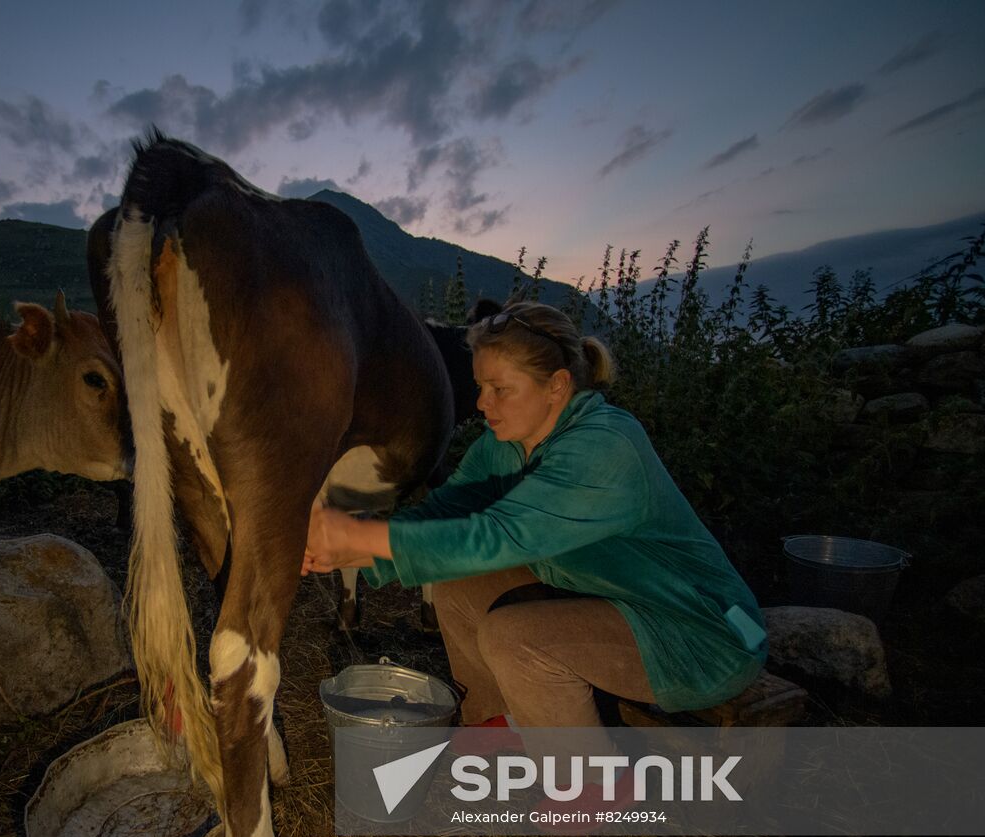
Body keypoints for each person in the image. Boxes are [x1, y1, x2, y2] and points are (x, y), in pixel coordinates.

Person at [302, 300, 767, 786]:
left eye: (500, 389)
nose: (482, 404)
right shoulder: (503, 446)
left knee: (515, 637)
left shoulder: (606, 448)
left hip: (698, 633)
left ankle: (595, 784)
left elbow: (500, 534)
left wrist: (359, 534)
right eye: (481, 387)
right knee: (458, 585)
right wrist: (338, 552)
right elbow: (445, 514)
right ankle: (499, 724)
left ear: (557, 387)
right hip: (610, 603)